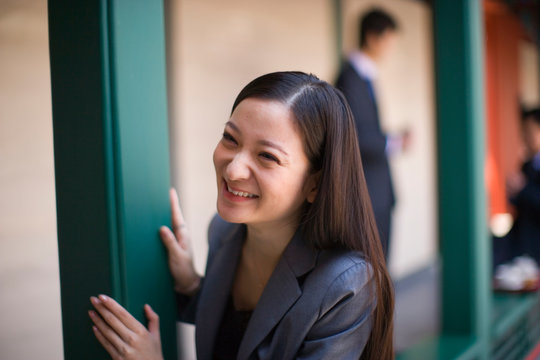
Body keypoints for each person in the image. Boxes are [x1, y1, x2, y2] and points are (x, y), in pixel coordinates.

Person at [87, 72, 394, 359]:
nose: (232, 170)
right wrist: (189, 285)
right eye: (230, 139)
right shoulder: (223, 231)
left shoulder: (346, 285)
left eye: (267, 156)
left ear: (315, 183)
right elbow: (244, 332)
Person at [335, 9, 410, 259]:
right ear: (372, 37)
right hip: (365, 192)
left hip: (378, 190)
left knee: (379, 269)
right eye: (388, 40)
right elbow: (352, 135)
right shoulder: (349, 78)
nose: (390, 48)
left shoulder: (364, 76)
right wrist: (393, 142)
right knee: (368, 270)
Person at [494, 108, 540, 266]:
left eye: (530, 131)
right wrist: (513, 192)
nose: (525, 137)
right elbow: (519, 203)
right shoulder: (527, 164)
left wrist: (524, 189)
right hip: (522, 239)